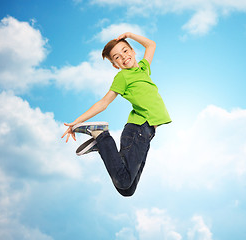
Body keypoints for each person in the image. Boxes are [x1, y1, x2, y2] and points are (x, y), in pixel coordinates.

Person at [62, 32, 171, 197]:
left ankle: (103, 146)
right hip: (138, 130)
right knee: (124, 181)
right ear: (115, 65)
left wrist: (129, 35)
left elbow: (151, 45)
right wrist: (77, 121)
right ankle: (102, 135)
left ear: (133, 51)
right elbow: (104, 102)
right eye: (117, 57)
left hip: (147, 134)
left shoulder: (143, 69)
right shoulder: (123, 77)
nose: (124, 57)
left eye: (125, 51)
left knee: (127, 190)